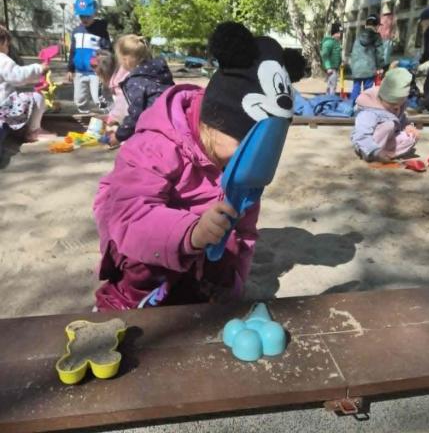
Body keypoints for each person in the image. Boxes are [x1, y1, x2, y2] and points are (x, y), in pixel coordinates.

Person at [93, 21, 299, 310]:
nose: (252, 157)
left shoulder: (244, 170)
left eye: (263, 151)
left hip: (201, 242)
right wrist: (191, 233)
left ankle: (195, 294)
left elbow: (245, 233)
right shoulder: (158, 143)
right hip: (139, 238)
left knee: (226, 249)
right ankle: (121, 302)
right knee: (144, 269)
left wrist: (235, 282)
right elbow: (129, 214)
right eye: (245, 144)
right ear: (215, 123)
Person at [108, 34, 175, 146]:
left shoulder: (136, 81)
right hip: (171, 122)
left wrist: (119, 136)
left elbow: (135, 114)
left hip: (153, 129)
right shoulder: (160, 72)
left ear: (126, 60)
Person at [351, 67, 420, 162]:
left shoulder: (397, 105)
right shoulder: (369, 111)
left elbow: (400, 119)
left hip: (387, 140)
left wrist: (408, 127)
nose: (396, 107)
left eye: (399, 105)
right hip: (368, 145)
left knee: (411, 136)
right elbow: (361, 134)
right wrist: (374, 151)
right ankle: (373, 154)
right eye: (392, 104)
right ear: (382, 97)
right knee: (389, 125)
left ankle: (386, 153)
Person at [0, 25, 53, 142]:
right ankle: (34, 130)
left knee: (24, 95)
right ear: (2, 43)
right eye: (7, 45)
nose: (8, 49)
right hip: (4, 108)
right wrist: (39, 69)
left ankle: (20, 127)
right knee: (39, 96)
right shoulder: (2, 59)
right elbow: (18, 76)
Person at [67, 0, 111, 114]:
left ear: (94, 13)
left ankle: (109, 116)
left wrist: (103, 65)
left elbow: (107, 50)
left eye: (88, 16)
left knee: (98, 98)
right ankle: (84, 116)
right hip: (80, 72)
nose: (84, 19)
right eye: (81, 16)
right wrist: (70, 69)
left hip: (96, 72)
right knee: (79, 99)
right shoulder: (76, 31)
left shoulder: (100, 31)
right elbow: (73, 51)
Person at [350, 14, 384, 103]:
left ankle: (351, 105)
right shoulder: (376, 37)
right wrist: (380, 66)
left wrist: (353, 66)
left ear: (366, 25)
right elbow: (379, 53)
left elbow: (353, 52)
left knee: (356, 88)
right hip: (369, 68)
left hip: (356, 68)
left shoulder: (358, 36)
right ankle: (365, 106)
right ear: (377, 26)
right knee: (368, 90)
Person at [91, 49, 129, 125]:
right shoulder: (119, 74)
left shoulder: (118, 83)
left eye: (99, 75)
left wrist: (110, 118)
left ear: (104, 73)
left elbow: (122, 108)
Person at [321, 22, 343, 95]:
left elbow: (336, 54)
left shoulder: (336, 42)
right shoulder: (329, 42)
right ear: (334, 33)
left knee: (330, 86)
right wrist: (328, 67)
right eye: (338, 33)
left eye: (340, 33)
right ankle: (331, 99)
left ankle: (328, 98)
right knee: (332, 86)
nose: (340, 35)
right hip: (331, 68)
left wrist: (340, 62)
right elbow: (325, 55)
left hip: (334, 68)